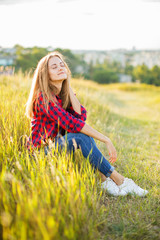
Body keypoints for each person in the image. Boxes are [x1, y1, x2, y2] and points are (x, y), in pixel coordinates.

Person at [25, 51, 148, 197]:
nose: (60, 68)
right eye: (54, 67)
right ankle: (120, 181)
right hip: (39, 155)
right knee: (81, 137)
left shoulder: (60, 95)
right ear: (45, 74)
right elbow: (73, 124)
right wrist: (105, 139)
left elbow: (80, 117)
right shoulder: (42, 98)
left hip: (56, 147)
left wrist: (67, 87)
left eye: (62, 65)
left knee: (82, 135)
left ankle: (105, 180)